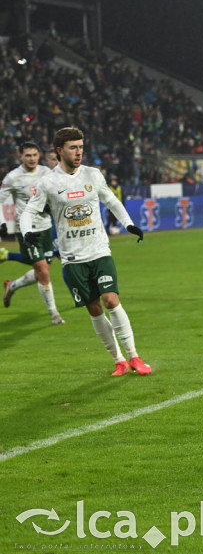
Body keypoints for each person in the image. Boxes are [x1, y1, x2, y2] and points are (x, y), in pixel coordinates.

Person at [21, 127, 152, 375]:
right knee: (94, 308)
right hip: (72, 258)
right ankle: (118, 360)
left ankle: (134, 357)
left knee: (111, 299)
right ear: (60, 151)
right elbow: (29, 211)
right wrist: (27, 231)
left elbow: (111, 201)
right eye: (73, 147)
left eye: (81, 147)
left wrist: (129, 224)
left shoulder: (93, 175)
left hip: (99, 251)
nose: (79, 152)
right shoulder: (48, 183)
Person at [0, 141, 65, 325]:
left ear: (39, 156)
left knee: (40, 273)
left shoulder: (46, 173)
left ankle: (12, 286)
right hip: (26, 230)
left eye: (34, 155)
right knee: (44, 272)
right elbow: (1, 199)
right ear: (21, 156)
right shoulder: (13, 177)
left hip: (46, 228)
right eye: (27, 155)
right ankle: (54, 315)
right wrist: (2, 222)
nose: (31, 159)